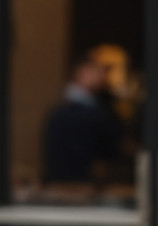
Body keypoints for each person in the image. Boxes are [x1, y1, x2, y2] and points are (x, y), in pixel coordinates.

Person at [43, 49, 124, 185]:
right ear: (81, 71)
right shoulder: (69, 112)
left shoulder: (97, 105)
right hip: (74, 184)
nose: (101, 76)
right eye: (96, 71)